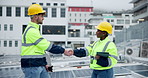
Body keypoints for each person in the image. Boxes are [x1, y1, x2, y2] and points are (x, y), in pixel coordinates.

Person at [21, 4, 71, 78]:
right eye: (41, 16)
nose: (43, 18)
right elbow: (47, 46)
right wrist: (63, 51)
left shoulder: (35, 30)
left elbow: (39, 50)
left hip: (38, 64)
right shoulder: (31, 31)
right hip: (32, 66)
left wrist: (44, 63)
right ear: (35, 16)